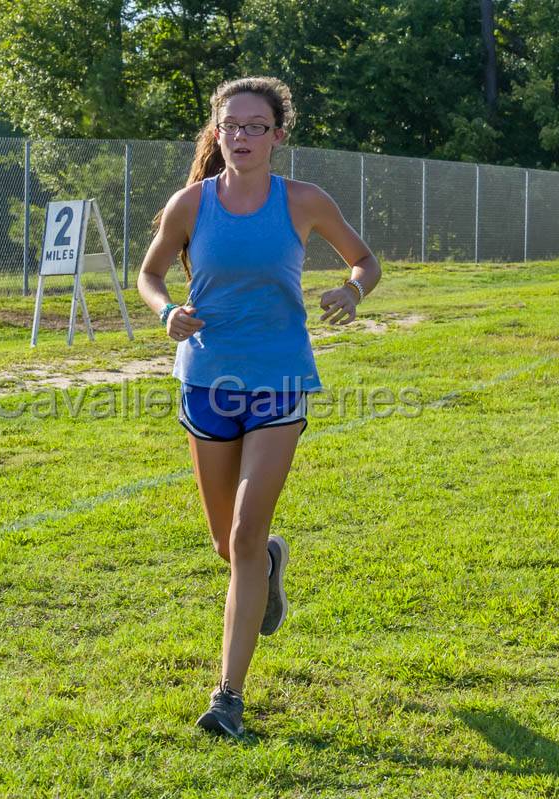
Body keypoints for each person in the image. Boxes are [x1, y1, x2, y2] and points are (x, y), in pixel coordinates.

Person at [136, 76, 382, 738]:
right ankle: (269, 565)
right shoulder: (191, 203)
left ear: (278, 135)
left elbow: (365, 260)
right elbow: (149, 273)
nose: (241, 136)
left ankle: (227, 696)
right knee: (230, 545)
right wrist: (167, 312)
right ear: (216, 134)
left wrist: (353, 292)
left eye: (255, 126)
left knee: (244, 533)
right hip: (207, 384)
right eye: (231, 126)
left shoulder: (303, 201)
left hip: (278, 383)